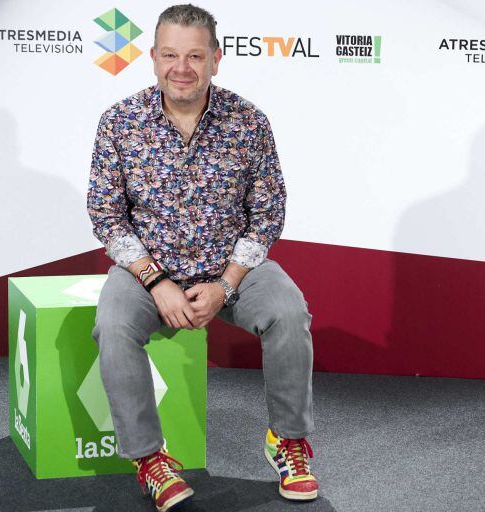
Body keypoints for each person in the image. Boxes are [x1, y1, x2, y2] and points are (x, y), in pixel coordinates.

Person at [86, 4, 318, 511]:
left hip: (232, 265)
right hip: (149, 267)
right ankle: (150, 458)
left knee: (288, 310)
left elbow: (268, 212)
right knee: (113, 323)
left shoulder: (249, 121)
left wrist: (227, 285)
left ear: (216, 58)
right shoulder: (120, 123)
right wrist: (155, 281)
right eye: (170, 54)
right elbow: (106, 214)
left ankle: (289, 441)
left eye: (195, 55)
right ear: (152, 58)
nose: (182, 67)